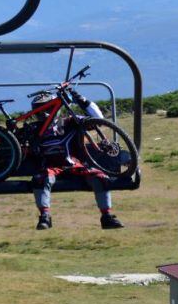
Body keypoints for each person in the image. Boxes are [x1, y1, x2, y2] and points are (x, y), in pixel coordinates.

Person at [30, 91, 124, 231]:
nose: (43, 115)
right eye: (39, 111)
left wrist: (82, 100)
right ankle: (45, 217)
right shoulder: (33, 129)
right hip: (50, 168)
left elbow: (98, 119)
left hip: (74, 165)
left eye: (46, 110)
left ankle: (107, 217)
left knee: (100, 177)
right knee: (40, 178)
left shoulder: (70, 122)